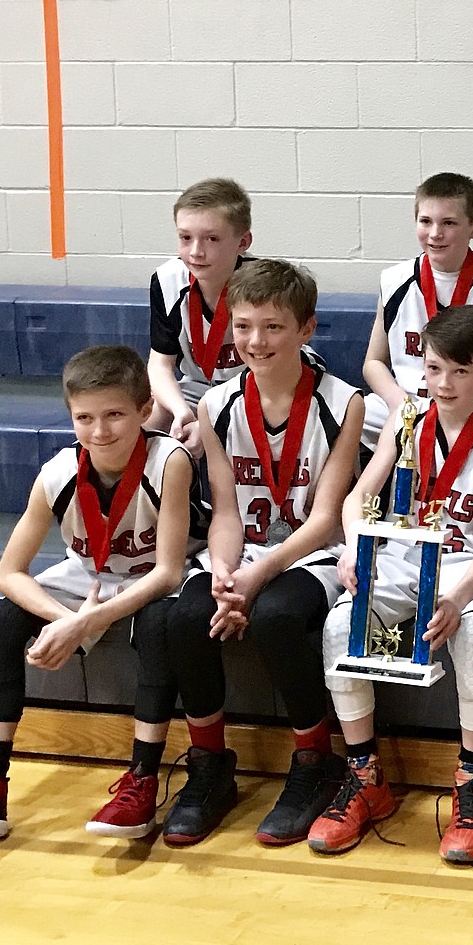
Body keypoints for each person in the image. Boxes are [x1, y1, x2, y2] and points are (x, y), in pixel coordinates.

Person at [0, 346, 208, 840]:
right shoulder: (56, 473)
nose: (100, 431)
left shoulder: (167, 459)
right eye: (84, 417)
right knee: (2, 618)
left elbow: (169, 573)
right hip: (88, 576)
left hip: (156, 576)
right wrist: (65, 619)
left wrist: (87, 621)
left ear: (145, 410)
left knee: (161, 624)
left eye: (114, 415)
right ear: (70, 416)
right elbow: (9, 573)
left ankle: (143, 779)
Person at [161, 259, 364, 848]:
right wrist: (226, 571)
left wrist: (258, 574)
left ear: (307, 329)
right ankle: (209, 767)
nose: (256, 341)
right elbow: (224, 510)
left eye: (273, 327)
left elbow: (327, 517)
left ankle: (313, 765)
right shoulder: (215, 405)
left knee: (276, 618)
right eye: (244, 326)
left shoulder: (343, 402)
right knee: (184, 615)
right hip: (242, 547)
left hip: (310, 554)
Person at [312, 306, 473, 861]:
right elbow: (357, 498)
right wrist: (358, 546)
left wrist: (457, 598)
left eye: (460, 370)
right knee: (341, 624)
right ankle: (366, 779)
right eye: (434, 369)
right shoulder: (406, 423)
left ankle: (472, 784)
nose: (445, 383)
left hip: (467, 568)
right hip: (405, 560)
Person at [360, 171, 473, 449]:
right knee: (349, 416)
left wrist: (466, 401)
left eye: (449, 223)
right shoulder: (394, 281)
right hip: (408, 401)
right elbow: (373, 363)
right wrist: (399, 402)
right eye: (425, 221)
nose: (435, 233)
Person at [147, 177, 255, 460]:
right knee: (142, 424)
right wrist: (182, 412)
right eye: (185, 238)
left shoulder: (264, 285)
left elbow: (273, 374)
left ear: (243, 242)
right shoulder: (167, 280)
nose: (196, 251)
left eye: (212, 238)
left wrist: (207, 425)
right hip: (197, 389)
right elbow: (159, 365)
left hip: (255, 390)